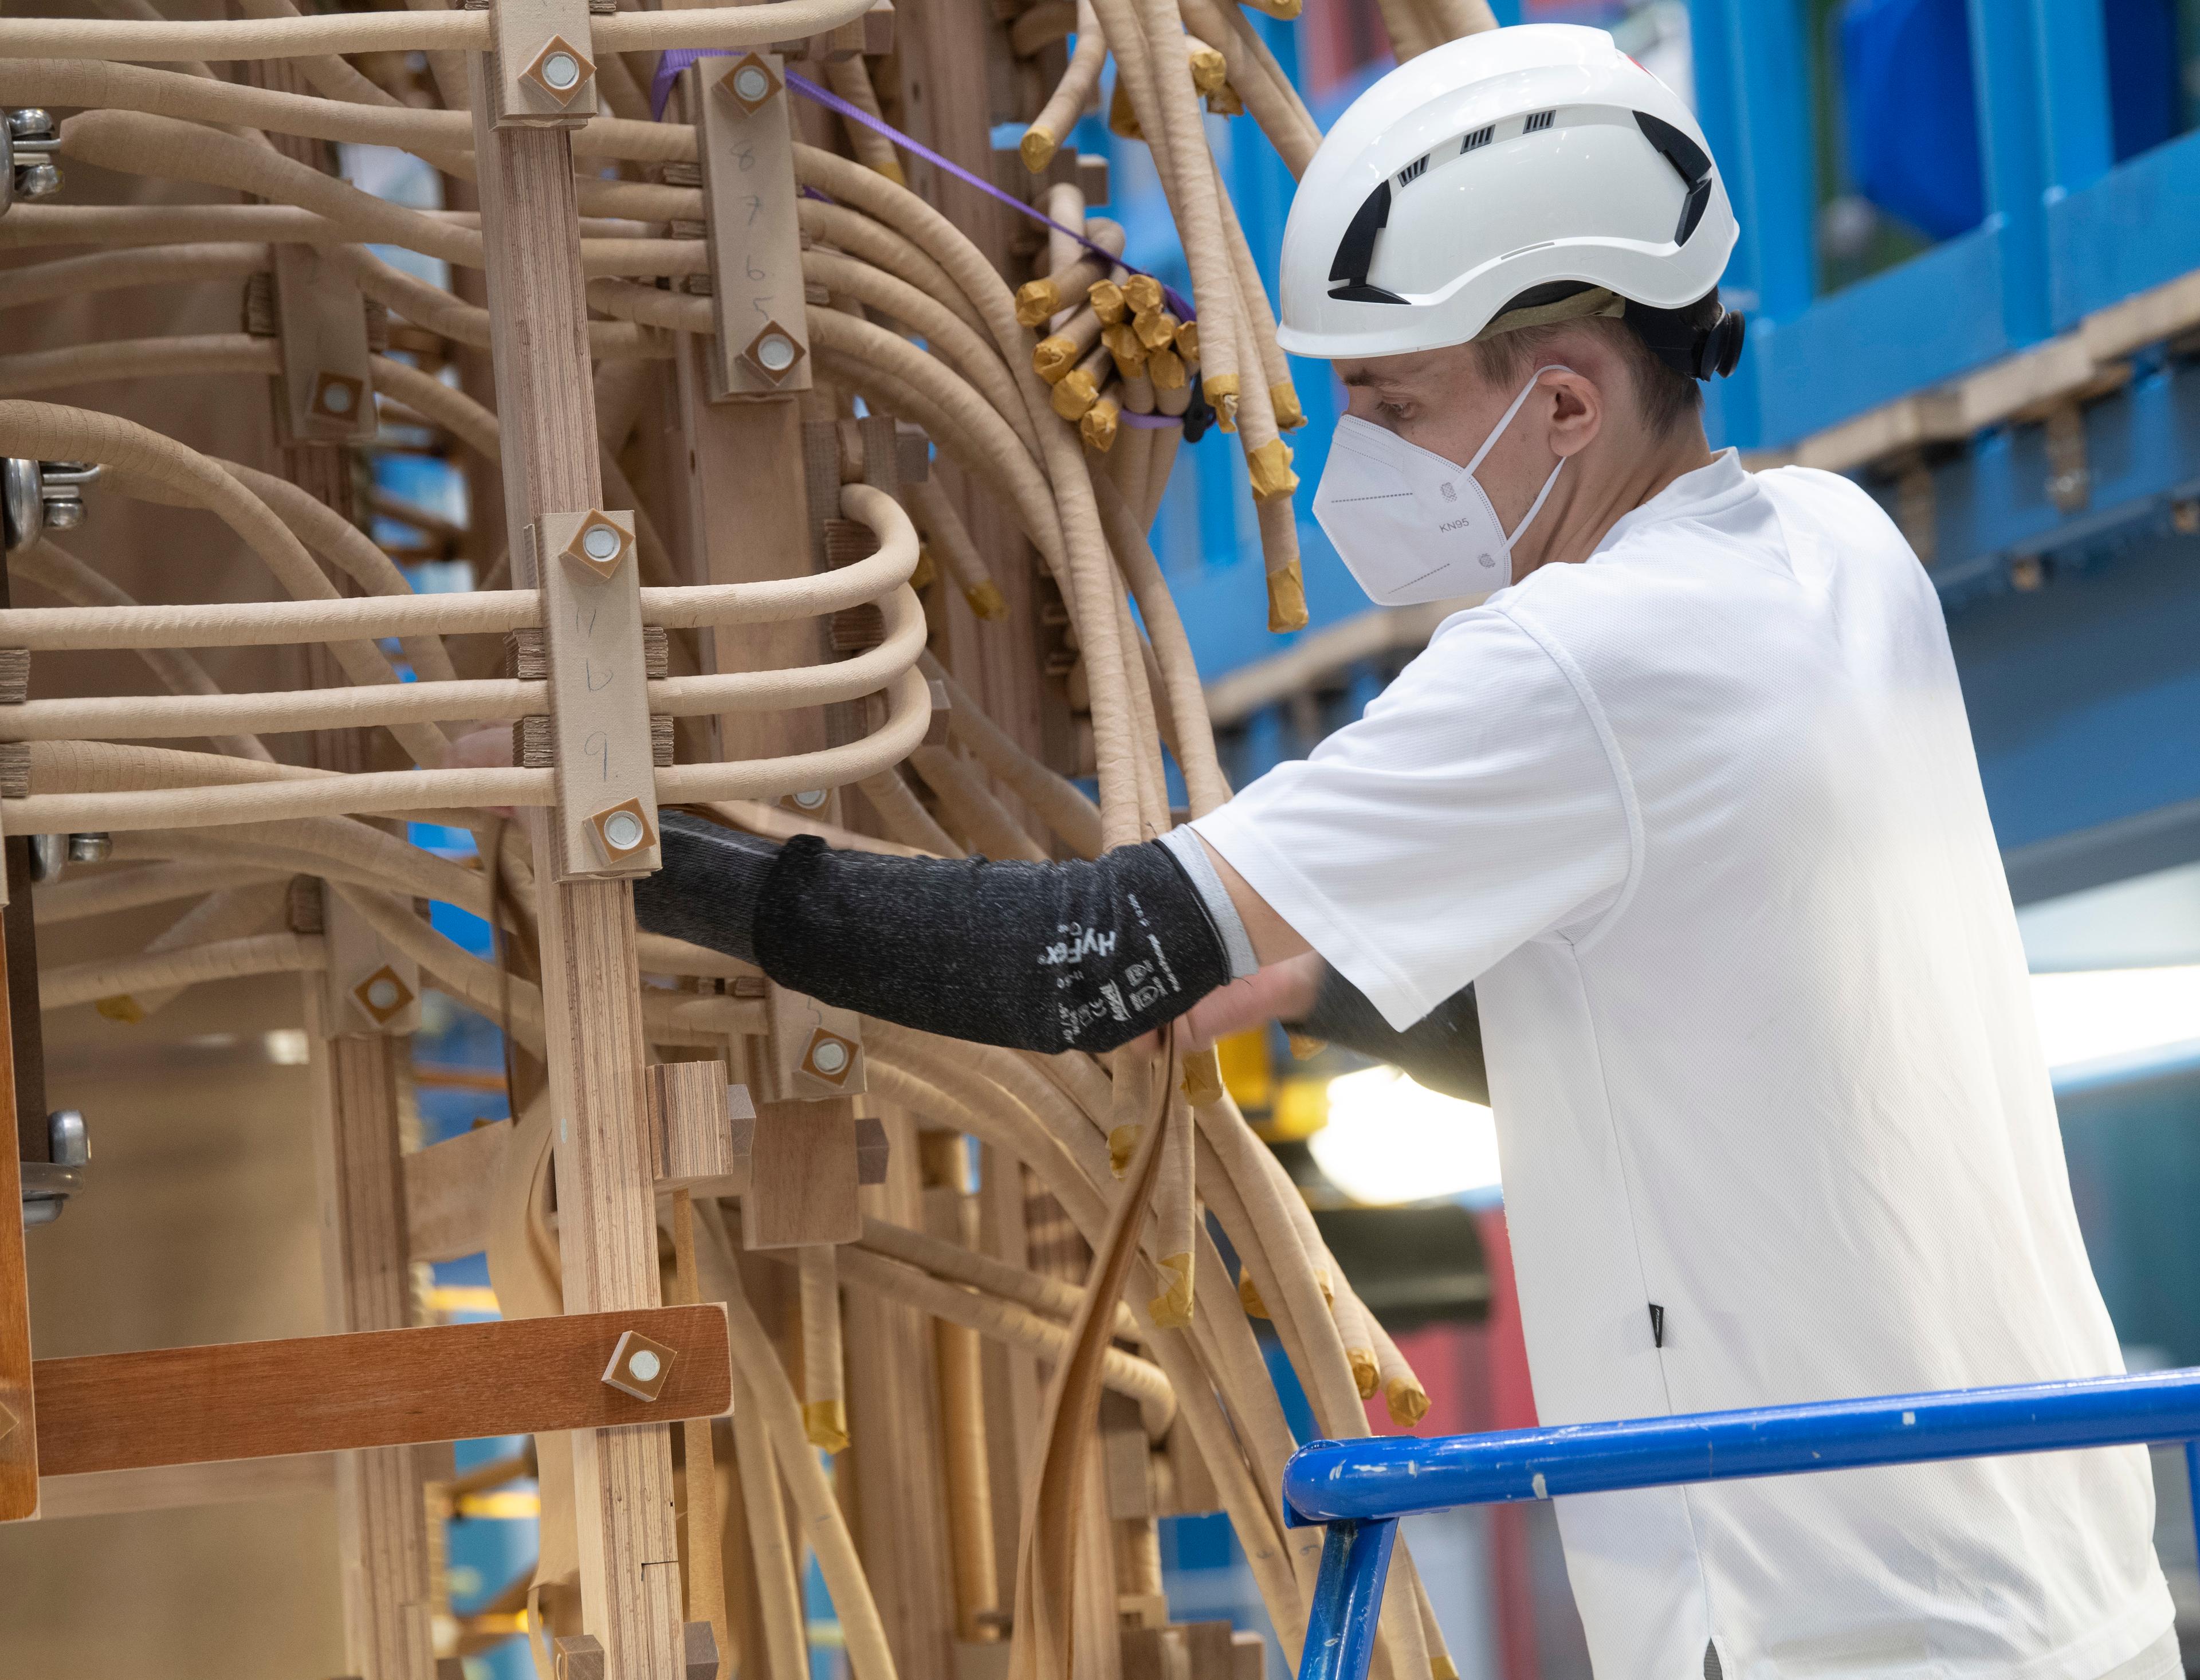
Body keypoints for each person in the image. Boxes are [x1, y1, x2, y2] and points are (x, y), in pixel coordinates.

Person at [637, 25, 2176, 1680]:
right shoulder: (1833, 548)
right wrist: (1305, 979)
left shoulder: (1574, 660)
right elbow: (1681, 1014)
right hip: (2065, 1586)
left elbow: (1073, 958)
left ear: (1567, 402)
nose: (1355, 450)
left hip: (1837, 1630)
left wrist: (660, 858)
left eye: (1390, 400)